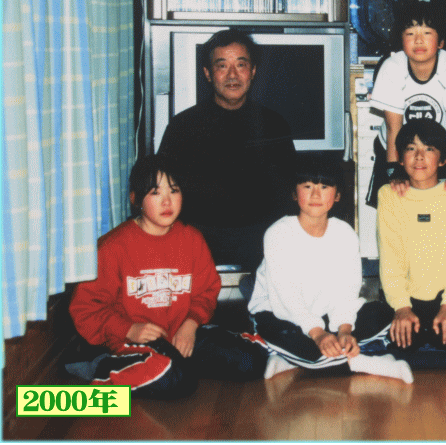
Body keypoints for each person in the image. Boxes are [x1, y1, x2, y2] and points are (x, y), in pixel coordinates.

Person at [67, 155, 270, 399]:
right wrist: (129, 329)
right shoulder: (113, 247)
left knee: (251, 361)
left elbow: (206, 292)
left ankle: (174, 365)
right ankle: (100, 366)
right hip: (133, 340)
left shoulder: (192, 239)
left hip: (181, 333)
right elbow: (85, 308)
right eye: (155, 192)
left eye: (174, 190)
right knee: (178, 381)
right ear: (135, 199)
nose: (167, 201)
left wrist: (191, 324)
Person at [248, 154, 413, 382]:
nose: (316, 195)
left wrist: (344, 330)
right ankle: (365, 363)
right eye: (307, 186)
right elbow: (287, 299)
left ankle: (288, 359)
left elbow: (347, 291)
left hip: (324, 316)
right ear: (294, 193)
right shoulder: (279, 233)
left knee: (385, 315)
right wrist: (318, 335)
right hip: (281, 314)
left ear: (337, 195)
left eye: (324, 187)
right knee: (307, 347)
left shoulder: (344, 233)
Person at [158, 29, 297, 272]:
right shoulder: (183, 126)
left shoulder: (274, 124)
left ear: (253, 71)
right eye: (222, 66)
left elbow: (289, 195)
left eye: (241, 65)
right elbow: (162, 193)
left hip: (263, 245)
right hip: (199, 245)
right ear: (208, 73)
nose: (232, 75)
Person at [377, 119, 446, 352]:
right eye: (411, 148)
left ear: (444, 159)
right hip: (406, 298)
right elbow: (390, 257)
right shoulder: (389, 195)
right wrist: (401, 307)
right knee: (401, 345)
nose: (419, 157)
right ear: (400, 158)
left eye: (429, 149)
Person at [366, 1, 446, 207]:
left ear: (440, 42)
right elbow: (393, 129)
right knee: (395, 205)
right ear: (401, 40)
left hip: (439, 153)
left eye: (427, 33)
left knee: (442, 210)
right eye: (410, 33)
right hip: (395, 150)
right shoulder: (391, 68)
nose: (418, 40)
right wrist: (395, 175)